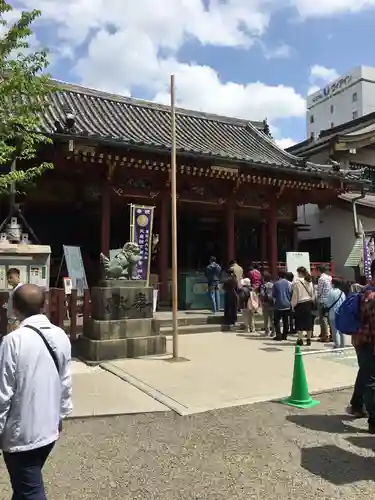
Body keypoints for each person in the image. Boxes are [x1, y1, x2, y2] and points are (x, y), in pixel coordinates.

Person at [0, 284, 73, 499]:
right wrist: (61, 415)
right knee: (24, 485)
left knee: (29, 489)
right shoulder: (60, 335)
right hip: (48, 429)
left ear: (15, 309)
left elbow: (4, 392)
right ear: (44, 305)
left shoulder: (13, 341)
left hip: (21, 435)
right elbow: (65, 381)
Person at [291, 266, 315, 346]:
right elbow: (312, 294)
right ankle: (308, 339)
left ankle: (300, 339)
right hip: (308, 303)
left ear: (300, 273)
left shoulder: (297, 282)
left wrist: (293, 305)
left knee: (299, 322)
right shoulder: (309, 281)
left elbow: (295, 295)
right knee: (308, 322)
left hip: (300, 304)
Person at [324, 278, 346, 348]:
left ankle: (337, 345)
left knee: (335, 330)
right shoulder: (342, 293)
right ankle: (342, 345)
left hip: (333, 313)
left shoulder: (331, 292)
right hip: (341, 314)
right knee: (341, 331)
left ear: (333, 284)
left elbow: (327, 303)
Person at [272, 270, 292, 341]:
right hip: (287, 304)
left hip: (278, 304)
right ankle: (285, 335)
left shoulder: (276, 283)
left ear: (278, 276)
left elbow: (273, 295)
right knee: (286, 321)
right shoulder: (289, 283)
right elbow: (291, 293)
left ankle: (278, 335)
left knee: (276, 321)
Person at [316, 264, 332, 342]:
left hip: (322, 300)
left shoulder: (321, 279)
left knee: (323, 319)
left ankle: (325, 336)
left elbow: (319, 291)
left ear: (319, 270)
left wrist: (317, 298)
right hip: (329, 300)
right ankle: (332, 335)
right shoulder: (329, 277)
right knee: (329, 318)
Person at [6, 268, 23, 334]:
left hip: (16, 321)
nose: (9, 280)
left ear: (18, 276)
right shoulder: (14, 289)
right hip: (11, 321)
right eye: (8, 278)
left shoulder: (21, 289)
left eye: (11, 277)